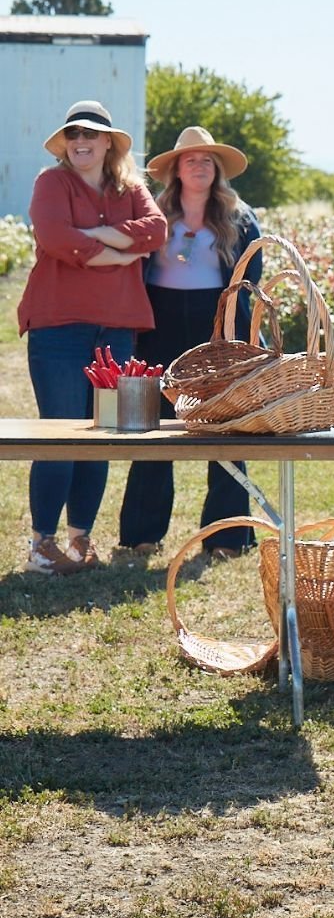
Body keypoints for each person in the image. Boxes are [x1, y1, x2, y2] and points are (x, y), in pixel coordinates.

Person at [18, 100, 168, 574]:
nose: (80, 142)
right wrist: (119, 252)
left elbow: (157, 230)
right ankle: (43, 544)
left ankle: (80, 538)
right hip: (58, 327)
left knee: (101, 434)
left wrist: (100, 231)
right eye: (73, 135)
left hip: (116, 329)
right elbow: (54, 237)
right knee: (61, 433)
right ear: (66, 144)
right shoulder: (51, 182)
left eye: (90, 134)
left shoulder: (131, 188)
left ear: (108, 142)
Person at [117, 126, 263, 558]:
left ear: (216, 170)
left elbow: (250, 280)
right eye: (190, 160)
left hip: (215, 326)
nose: (199, 166)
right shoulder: (154, 212)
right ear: (176, 170)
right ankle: (141, 534)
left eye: (206, 161)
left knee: (224, 425)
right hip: (158, 325)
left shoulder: (240, 217)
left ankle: (228, 535)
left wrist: (236, 332)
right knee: (152, 427)